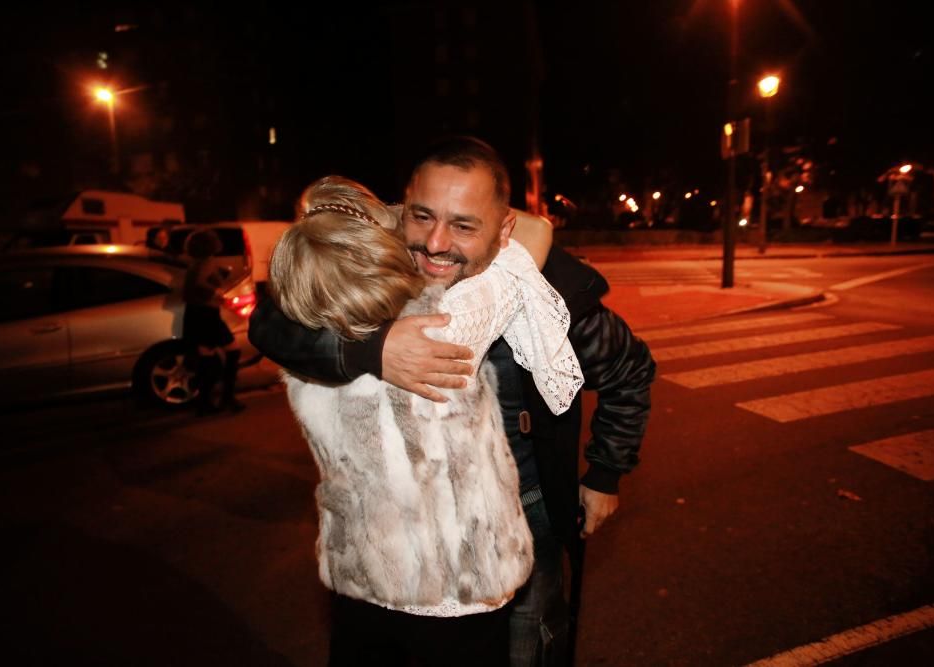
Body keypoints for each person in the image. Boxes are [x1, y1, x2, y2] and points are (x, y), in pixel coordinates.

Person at [250, 136, 656, 666]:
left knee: (529, 648)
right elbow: (271, 324)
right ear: (402, 209)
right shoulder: (370, 267)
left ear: (504, 228)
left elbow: (631, 370)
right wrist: (371, 349)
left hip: (528, 508)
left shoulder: (541, 286)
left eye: (464, 226)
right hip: (399, 537)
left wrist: (605, 474)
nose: (437, 244)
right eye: (422, 217)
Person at [181, 228, 246, 415]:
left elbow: (190, 290)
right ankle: (226, 398)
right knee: (232, 353)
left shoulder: (195, 263)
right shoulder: (206, 262)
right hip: (207, 316)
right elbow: (200, 285)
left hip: (197, 315)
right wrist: (216, 293)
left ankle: (205, 402)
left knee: (207, 359)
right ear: (211, 245)